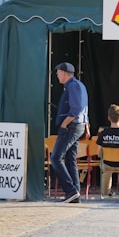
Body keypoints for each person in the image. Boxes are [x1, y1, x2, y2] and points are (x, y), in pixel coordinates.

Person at [51, 62, 89, 203]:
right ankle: (75, 193)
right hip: (77, 125)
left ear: (64, 73)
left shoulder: (73, 86)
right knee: (70, 159)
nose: (57, 75)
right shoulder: (79, 85)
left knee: (55, 157)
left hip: (71, 126)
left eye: (58, 72)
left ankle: (71, 190)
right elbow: (83, 107)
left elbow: (77, 108)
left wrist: (64, 124)